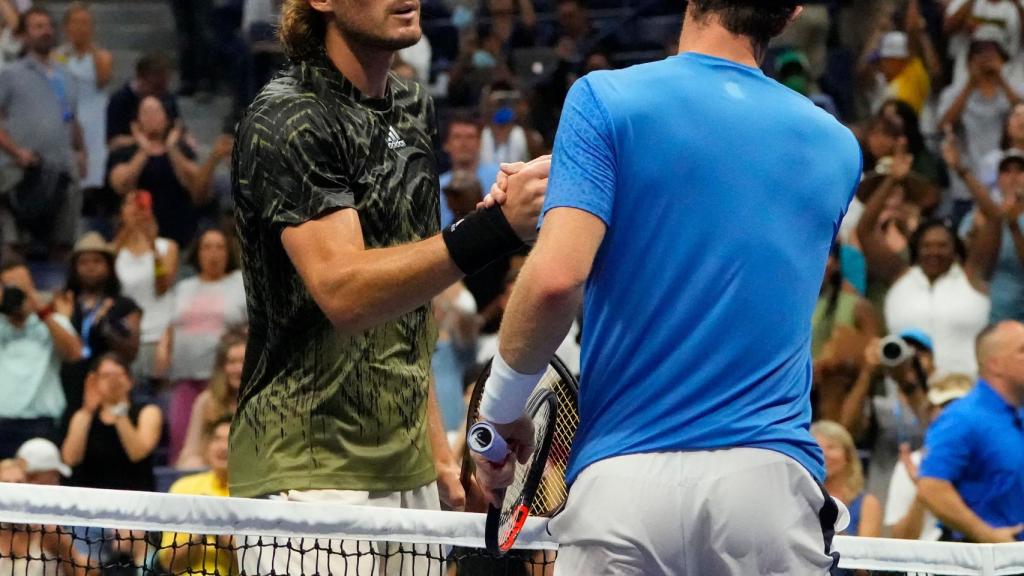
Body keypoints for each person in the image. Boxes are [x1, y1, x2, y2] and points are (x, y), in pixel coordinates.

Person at [469, 1, 861, 573]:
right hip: (766, 491)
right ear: (791, 13)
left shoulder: (603, 101)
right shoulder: (837, 146)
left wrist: (500, 409)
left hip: (623, 490)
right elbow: (729, 201)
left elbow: (556, 280)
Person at [229, 0, 546, 570]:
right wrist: (493, 229)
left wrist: (438, 457)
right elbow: (346, 293)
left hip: (411, 476)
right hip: (308, 477)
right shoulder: (288, 116)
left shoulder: (413, 109)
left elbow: (410, 300)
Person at [859, 142, 1000, 377]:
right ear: (917, 249)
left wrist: (962, 171)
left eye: (942, 245)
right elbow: (865, 230)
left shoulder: (971, 277)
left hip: (966, 392)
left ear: (955, 249)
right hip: (908, 398)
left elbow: (994, 218)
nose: (934, 251)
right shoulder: (901, 277)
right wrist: (892, 181)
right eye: (926, 246)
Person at [918, 321, 1024, 543]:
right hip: (981, 562)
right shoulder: (962, 418)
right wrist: (987, 535)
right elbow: (931, 486)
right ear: (996, 364)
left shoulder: (1016, 414)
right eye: (1021, 350)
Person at [156, 227, 246, 465]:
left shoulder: (240, 284)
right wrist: (163, 349)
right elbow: (171, 325)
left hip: (226, 383)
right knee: (183, 450)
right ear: (198, 253)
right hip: (185, 378)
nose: (213, 253)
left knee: (223, 448)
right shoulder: (184, 287)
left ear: (229, 252)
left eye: (220, 247)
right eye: (207, 247)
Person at [0, 7, 85, 255]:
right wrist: (16, 152)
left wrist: (81, 151)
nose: (45, 31)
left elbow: (70, 117)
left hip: (62, 167)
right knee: (16, 245)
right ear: (24, 36)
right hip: (21, 170)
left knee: (63, 242)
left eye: (48, 26)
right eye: (37, 27)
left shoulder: (66, 76)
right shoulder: (10, 75)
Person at [108, 96, 216, 248]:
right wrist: (144, 150)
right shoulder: (125, 152)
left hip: (180, 233)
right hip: (136, 237)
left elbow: (200, 188)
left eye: (157, 112)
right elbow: (120, 185)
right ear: (136, 121)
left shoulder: (182, 149)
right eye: (146, 112)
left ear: (167, 118)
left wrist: (172, 149)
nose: (152, 117)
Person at [0, 261, 81, 458]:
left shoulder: (52, 322)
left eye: (21, 287)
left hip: (40, 422)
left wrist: (41, 311)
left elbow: (75, 353)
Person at [60, 232, 142, 417]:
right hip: (69, 386)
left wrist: (106, 328)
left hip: (110, 386)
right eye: (83, 262)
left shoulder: (124, 305)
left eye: (97, 261)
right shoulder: (63, 302)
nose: (90, 267)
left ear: (109, 266)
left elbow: (132, 350)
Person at [884, 373, 974, 541]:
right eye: (946, 406)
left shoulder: (997, 461)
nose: (955, 415)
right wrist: (924, 490)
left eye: (962, 406)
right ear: (930, 412)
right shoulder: (914, 463)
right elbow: (901, 541)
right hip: (929, 564)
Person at [61, 352, 162, 492]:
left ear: (130, 380)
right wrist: (87, 411)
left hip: (136, 496)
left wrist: (119, 409)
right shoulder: (83, 416)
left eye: (118, 376)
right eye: (106, 376)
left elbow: (138, 453)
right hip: (93, 497)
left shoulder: (147, 412)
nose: (112, 382)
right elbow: (70, 459)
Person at [113, 189, 180, 387]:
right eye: (130, 204)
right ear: (121, 211)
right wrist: (127, 230)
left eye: (140, 205)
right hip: (125, 337)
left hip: (157, 335)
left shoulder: (167, 247)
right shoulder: (114, 249)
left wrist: (152, 245)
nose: (136, 209)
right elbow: (107, 273)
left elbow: (163, 286)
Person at [160, 416, 236, 575]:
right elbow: (170, 563)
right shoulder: (183, 488)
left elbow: (253, 563)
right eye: (217, 439)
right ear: (207, 446)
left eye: (230, 440)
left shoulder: (252, 496)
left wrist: (218, 528)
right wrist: (199, 531)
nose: (222, 447)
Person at [55, 2, 112, 197]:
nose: (80, 27)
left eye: (85, 23)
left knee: (94, 169)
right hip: (69, 115)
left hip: (95, 117)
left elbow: (102, 80)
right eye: (76, 22)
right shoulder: (58, 56)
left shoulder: (102, 56)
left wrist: (90, 48)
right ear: (67, 27)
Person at [175, 331, 245, 469]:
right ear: (222, 367)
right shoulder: (206, 401)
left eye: (244, 361)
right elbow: (190, 452)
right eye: (231, 362)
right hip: (211, 474)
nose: (238, 369)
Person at [813, 421, 882, 540]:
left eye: (831, 447)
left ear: (847, 456)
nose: (824, 454)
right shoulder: (798, 498)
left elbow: (865, 553)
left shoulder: (867, 504)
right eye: (817, 448)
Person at [439, 113, 500, 229]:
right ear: (446, 144)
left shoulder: (499, 178)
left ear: (480, 142)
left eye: (470, 137)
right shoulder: (436, 187)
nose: (464, 143)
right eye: (457, 137)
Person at [106, 53, 179, 149]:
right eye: (156, 87)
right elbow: (113, 142)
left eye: (164, 86)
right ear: (140, 79)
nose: (160, 93)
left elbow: (177, 126)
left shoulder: (167, 97)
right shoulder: (120, 100)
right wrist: (144, 140)